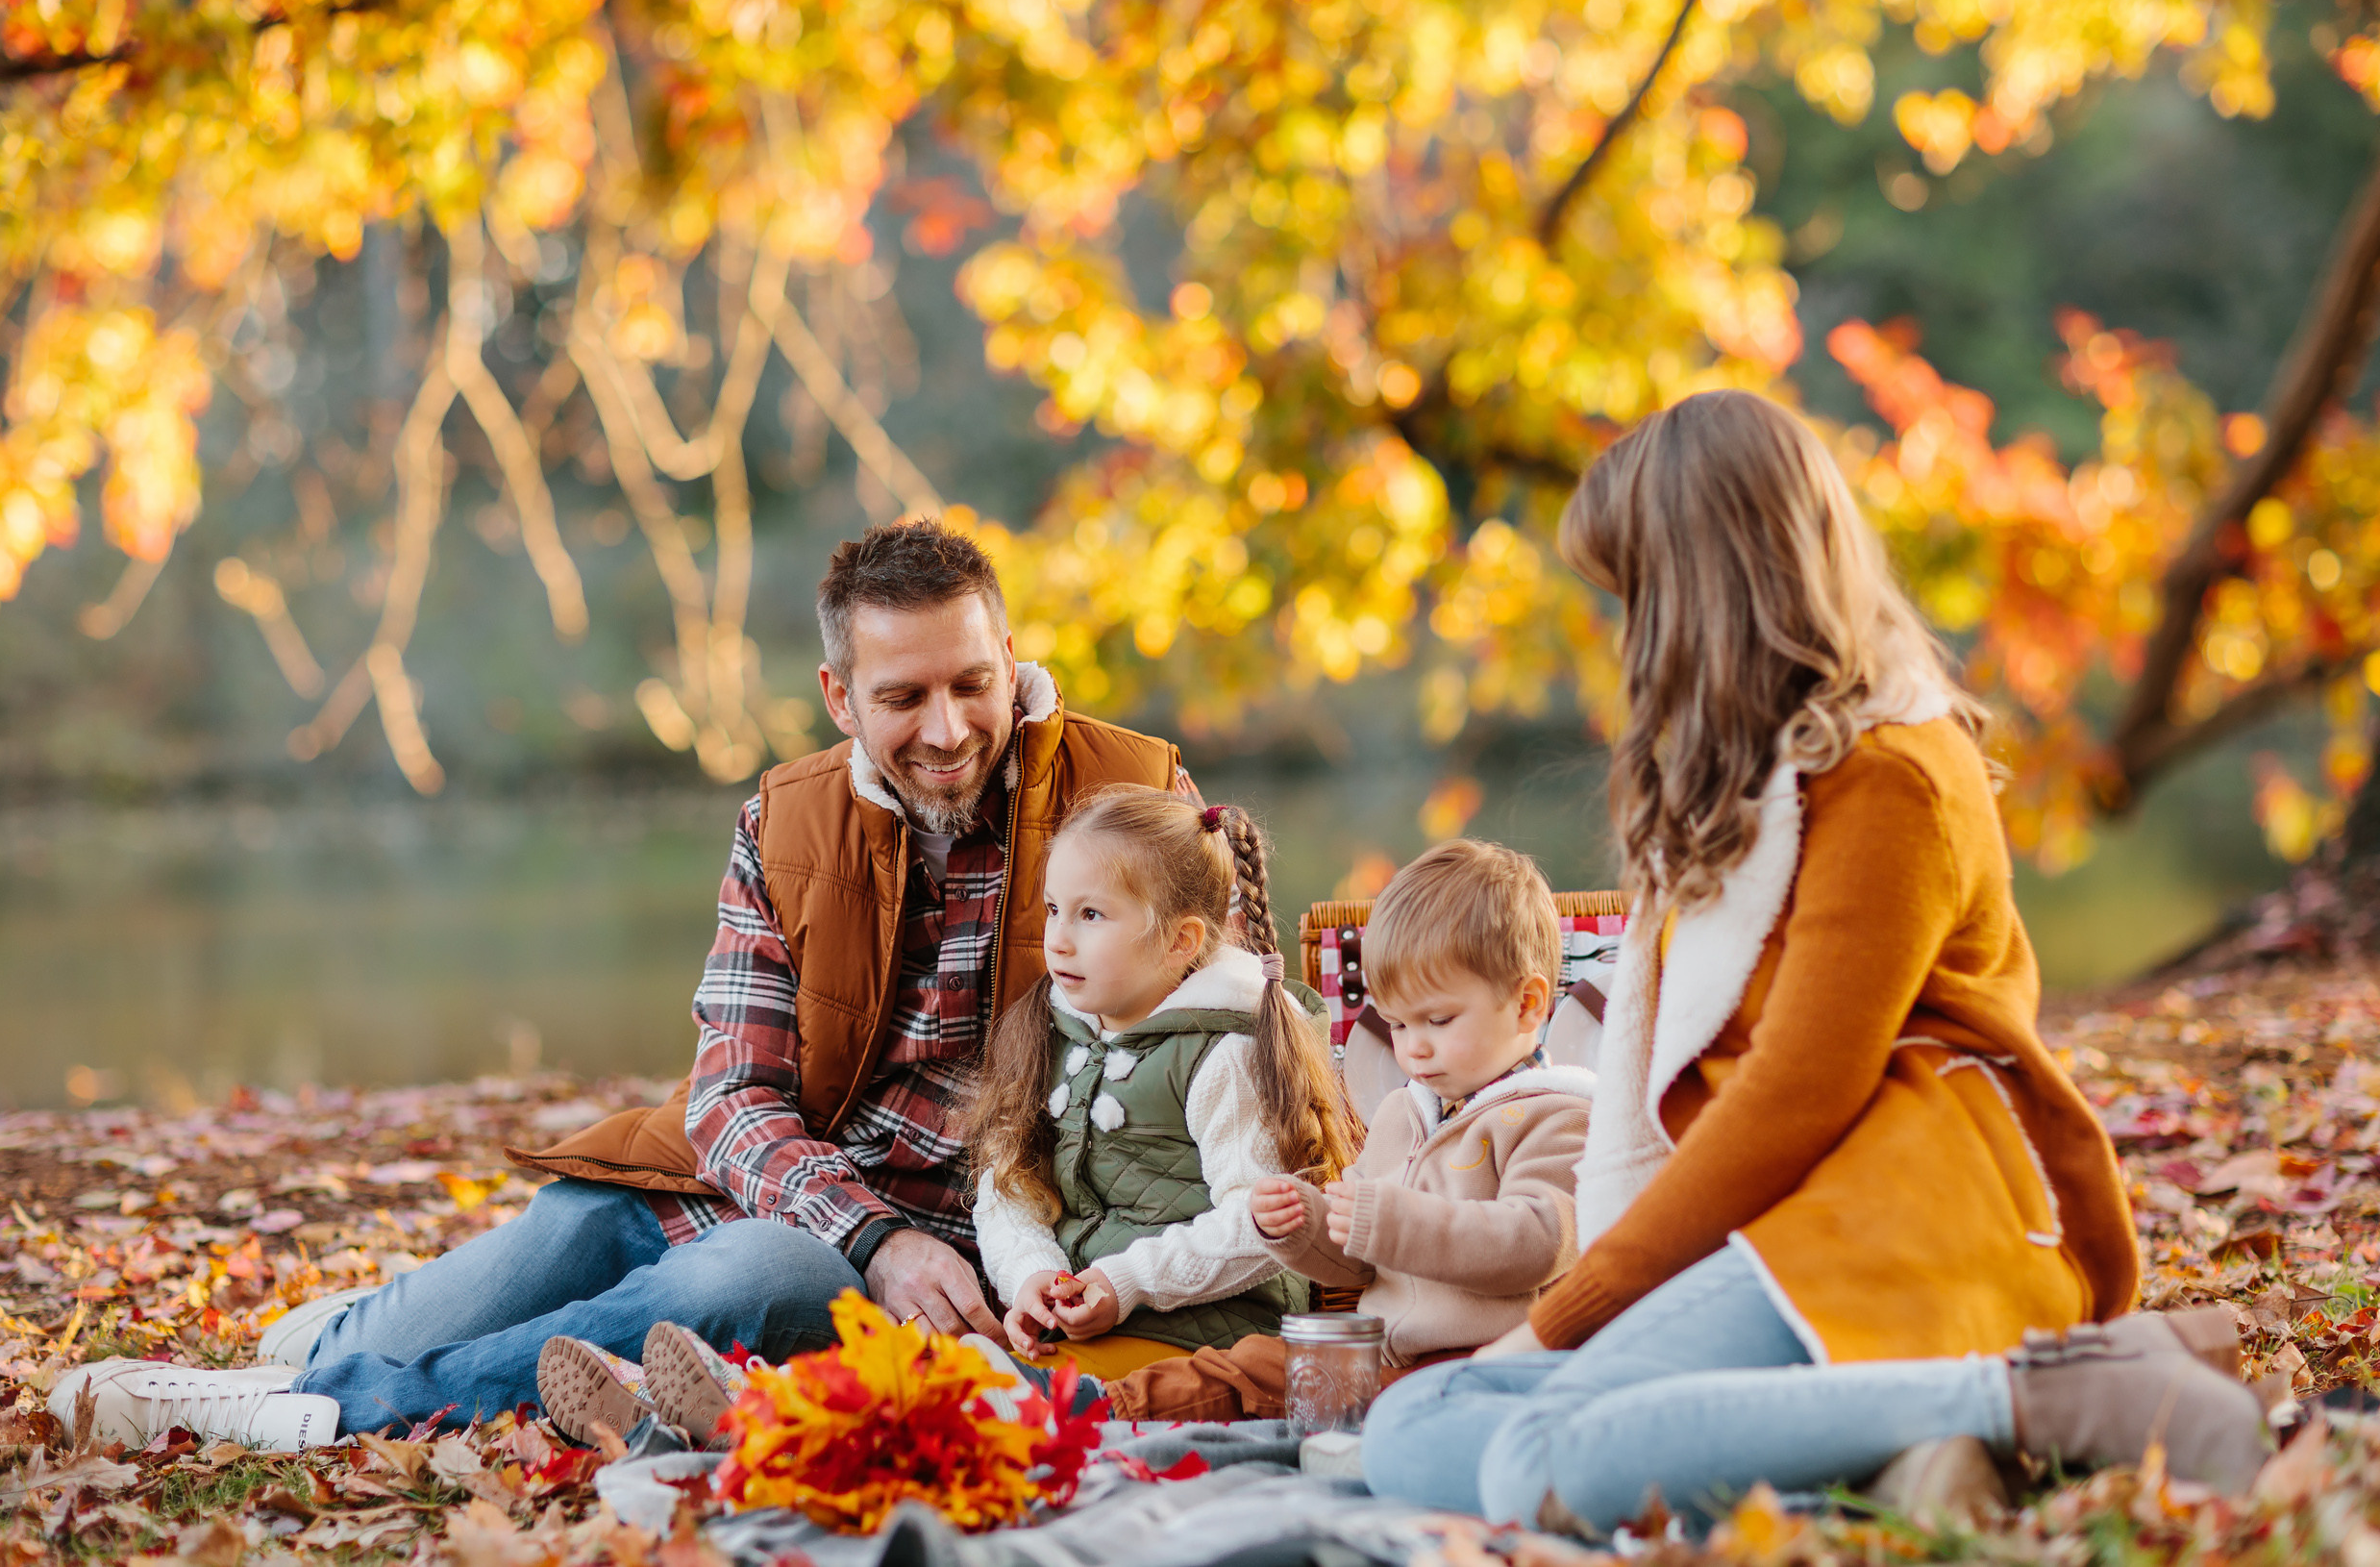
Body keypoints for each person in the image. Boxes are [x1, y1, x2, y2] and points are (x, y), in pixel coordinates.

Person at [52, 520, 1192, 1450]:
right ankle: (333, 1344)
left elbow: (1228, 1046)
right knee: (579, 1221)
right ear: (841, 698)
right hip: (794, 1195)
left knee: (737, 1275)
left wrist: (938, 1256)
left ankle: (328, 1407)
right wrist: (873, 1235)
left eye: (972, 684)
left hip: (959, 1246)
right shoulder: (784, 821)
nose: (948, 731)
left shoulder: (1134, 797)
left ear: (1010, 661)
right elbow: (735, 1101)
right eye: (903, 698)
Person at [1359, 390, 2268, 1530]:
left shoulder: (1892, 777)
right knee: (1404, 1429)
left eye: (1635, 596)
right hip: (1777, 1216)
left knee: (1533, 1452)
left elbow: (1795, 1094)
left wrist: (1569, 1308)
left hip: (1916, 1204)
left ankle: (2052, 1393)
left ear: (1705, 591)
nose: (1624, 635)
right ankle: (1902, 1452)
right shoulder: (1745, 798)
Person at [1103, 839, 1595, 1422]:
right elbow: (1358, 1262)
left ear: (1527, 1004)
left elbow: (1535, 1244)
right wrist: (1301, 1227)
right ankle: (1101, 1406)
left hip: (1493, 1369)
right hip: (1385, 1359)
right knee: (1260, 1361)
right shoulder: (1405, 1114)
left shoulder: (1556, 1116)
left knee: (1295, 1379)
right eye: (1398, 1024)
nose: (1413, 1047)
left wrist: (1388, 1221)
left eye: (1438, 1020)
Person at [960, 790, 1359, 1380]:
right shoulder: (1049, 1029)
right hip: (1084, 1325)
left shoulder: (1225, 1052)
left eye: (1090, 915)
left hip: (1204, 1342)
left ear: (1180, 941)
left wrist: (1127, 1284)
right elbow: (1008, 1187)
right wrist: (1031, 1277)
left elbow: (1260, 1224)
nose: (1059, 939)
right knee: (949, 1383)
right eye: (1052, 909)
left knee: (1007, 1401)